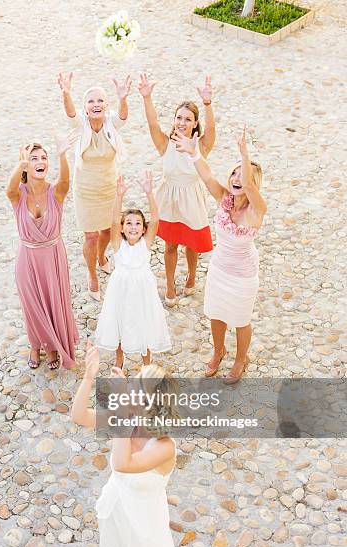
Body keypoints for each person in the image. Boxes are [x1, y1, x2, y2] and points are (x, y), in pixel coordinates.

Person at [71, 343, 239, 547]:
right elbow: (78, 416)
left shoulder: (164, 446)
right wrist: (89, 377)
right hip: (117, 515)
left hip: (146, 528)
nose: (131, 391)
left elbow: (122, 463)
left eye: (137, 389)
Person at [173, 126, 267, 383]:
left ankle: (240, 359)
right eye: (234, 172)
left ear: (253, 184)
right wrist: (194, 153)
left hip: (243, 275)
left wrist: (244, 153)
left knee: (240, 319)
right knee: (216, 313)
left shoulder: (257, 209)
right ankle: (218, 351)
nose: (237, 178)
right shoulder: (224, 198)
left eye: (242, 174)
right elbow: (206, 175)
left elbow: (247, 182)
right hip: (219, 269)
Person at [138, 73, 216, 307]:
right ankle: (170, 283)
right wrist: (147, 97)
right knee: (170, 245)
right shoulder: (165, 144)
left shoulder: (201, 145)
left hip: (192, 199)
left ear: (195, 123)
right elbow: (152, 123)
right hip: (169, 199)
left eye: (187, 119)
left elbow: (212, 129)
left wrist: (207, 103)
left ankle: (192, 275)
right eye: (178, 118)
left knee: (192, 245)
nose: (182, 122)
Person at [6, 137, 79, 370]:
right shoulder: (18, 195)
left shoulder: (55, 193)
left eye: (43, 158)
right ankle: (35, 346)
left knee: (54, 303)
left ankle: (54, 346)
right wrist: (21, 164)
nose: (40, 162)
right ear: (27, 165)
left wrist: (61, 155)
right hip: (27, 259)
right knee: (32, 306)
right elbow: (8, 189)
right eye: (34, 158)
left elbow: (66, 181)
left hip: (53, 257)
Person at [58, 72, 132, 300]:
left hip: (109, 188)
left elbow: (122, 116)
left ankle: (102, 256)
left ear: (106, 105)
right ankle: (92, 274)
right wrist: (66, 93)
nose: (96, 104)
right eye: (91, 101)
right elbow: (70, 113)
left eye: (100, 100)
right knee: (90, 236)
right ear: (86, 107)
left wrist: (123, 98)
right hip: (86, 191)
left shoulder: (111, 122)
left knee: (109, 230)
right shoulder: (81, 124)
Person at [94, 172, 171, 369]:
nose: (133, 227)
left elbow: (155, 220)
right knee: (120, 319)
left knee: (144, 320)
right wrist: (119, 195)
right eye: (128, 223)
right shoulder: (118, 244)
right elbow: (113, 221)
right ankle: (119, 359)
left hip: (142, 288)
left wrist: (149, 193)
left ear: (143, 229)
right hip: (120, 287)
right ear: (122, 228)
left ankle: (146, 362)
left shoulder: (145, 244)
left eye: (138, 223)